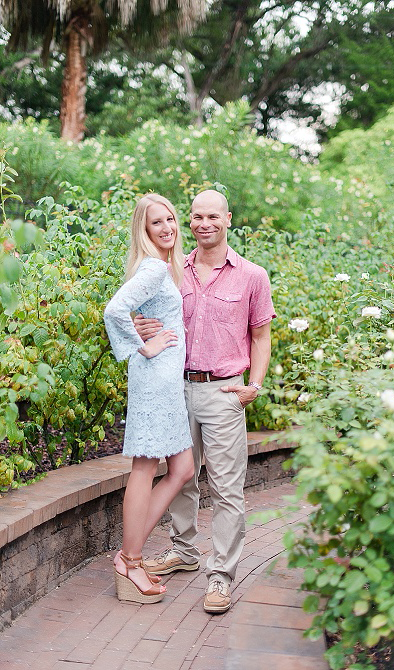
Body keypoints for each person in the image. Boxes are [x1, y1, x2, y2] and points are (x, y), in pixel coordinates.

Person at [135, 190, 275, 614]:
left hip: (224, 390)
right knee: (181, 476)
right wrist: (142, 328)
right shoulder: (172, 271)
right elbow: (147, 318)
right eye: (196, 216)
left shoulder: (252, 275)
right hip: (177, 387)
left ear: (228, 218)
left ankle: (220, 575)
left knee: (227, 488)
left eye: (212, 215)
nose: (203, 223)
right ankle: (183, 551)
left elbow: (261, 335)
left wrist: (255, 385)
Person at [103, 194, 196, 604]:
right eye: (156, 223)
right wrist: (144, 347)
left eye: (171, 219)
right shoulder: (154, 267)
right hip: (154, 379)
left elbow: (136, 312)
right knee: (146, 466)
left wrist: (148, 335)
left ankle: (130, 555)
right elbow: (114, 310)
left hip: (166, 382)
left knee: (184, 468)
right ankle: (131, 560)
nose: (167, 228)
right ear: (143, 229)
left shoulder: (162, 269)